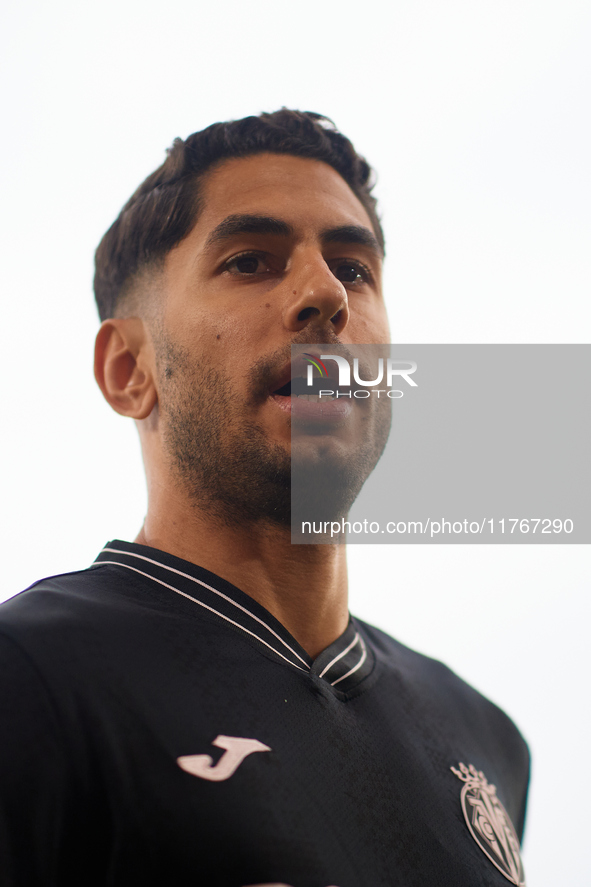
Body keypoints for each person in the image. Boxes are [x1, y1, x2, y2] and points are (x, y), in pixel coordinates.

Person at [0, 110, 529, 887]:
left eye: (354, 269)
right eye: (251, 261)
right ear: (127, 369)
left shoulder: (487, 738)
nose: (324, 295)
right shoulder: (29, 677)